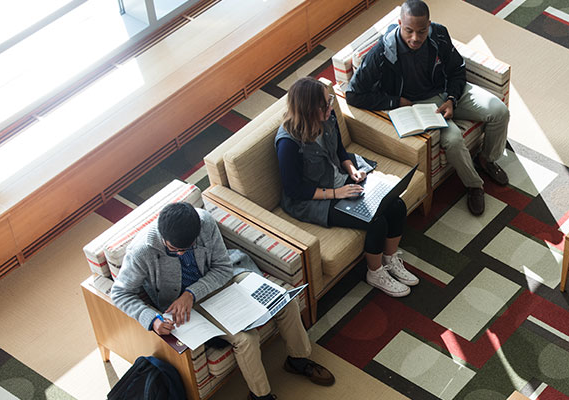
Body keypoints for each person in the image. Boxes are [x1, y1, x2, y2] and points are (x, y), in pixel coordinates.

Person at [112, 202, 334, 400]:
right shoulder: (142, 251)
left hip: (222, 280)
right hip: (190, 307)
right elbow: (120, 294)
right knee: (246, 339)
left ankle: (298, 360)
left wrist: (191, 293)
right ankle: (260, 395)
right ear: (162, 236)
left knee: (285, 302)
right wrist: (152, 320)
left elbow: (222, 267)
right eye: (173, 249)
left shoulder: (204, 223)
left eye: (186, 249)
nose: (180, 254)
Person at [346, 0, 510, 216]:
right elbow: (353, 95)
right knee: (452, 140)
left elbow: (457, 70)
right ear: (399, 24)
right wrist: (395, 102)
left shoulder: (439, 35)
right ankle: (474, 185)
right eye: (409, 31)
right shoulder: (382, 53)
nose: (415, 38)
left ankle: (487, 159)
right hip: (419, 105)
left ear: (429, 25)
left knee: (499, 111)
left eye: (422, 31)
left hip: (447, 91)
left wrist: (452, 98)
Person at [276, 77, 418, 298]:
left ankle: (390, 259)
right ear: (307, 109)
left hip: (340, 180)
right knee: (376, 219)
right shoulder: (288, 143)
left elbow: (340, 150)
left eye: (329, 101)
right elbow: (294, 189)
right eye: (324, 105)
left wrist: (351, 169)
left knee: (396, 204)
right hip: (310, 200)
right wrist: (336, 193)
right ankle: (375, 273)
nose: (330, 107)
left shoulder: (328, 116)